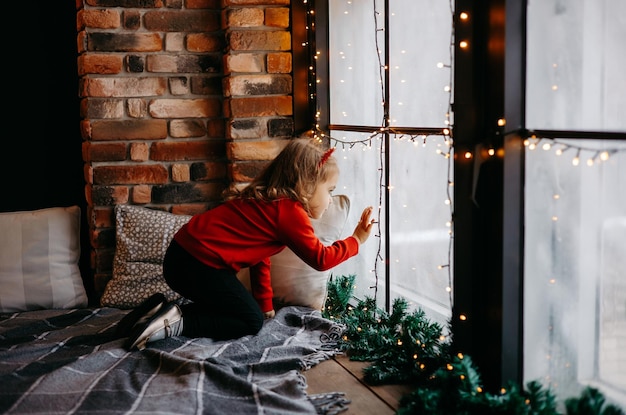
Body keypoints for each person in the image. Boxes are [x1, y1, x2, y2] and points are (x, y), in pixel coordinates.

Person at [123, 138, 375, 351]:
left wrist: (265, 304)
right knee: (249, 321)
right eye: (329, 190)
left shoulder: (268, 200)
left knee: (241, 308)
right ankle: (178, 321)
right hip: (197, 264)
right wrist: (356, 240)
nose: (330, 199)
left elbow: (259, 256)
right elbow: (321, 259)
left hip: (182, 258)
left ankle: (158, 311)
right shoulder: (289, 213)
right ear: (307, 184)